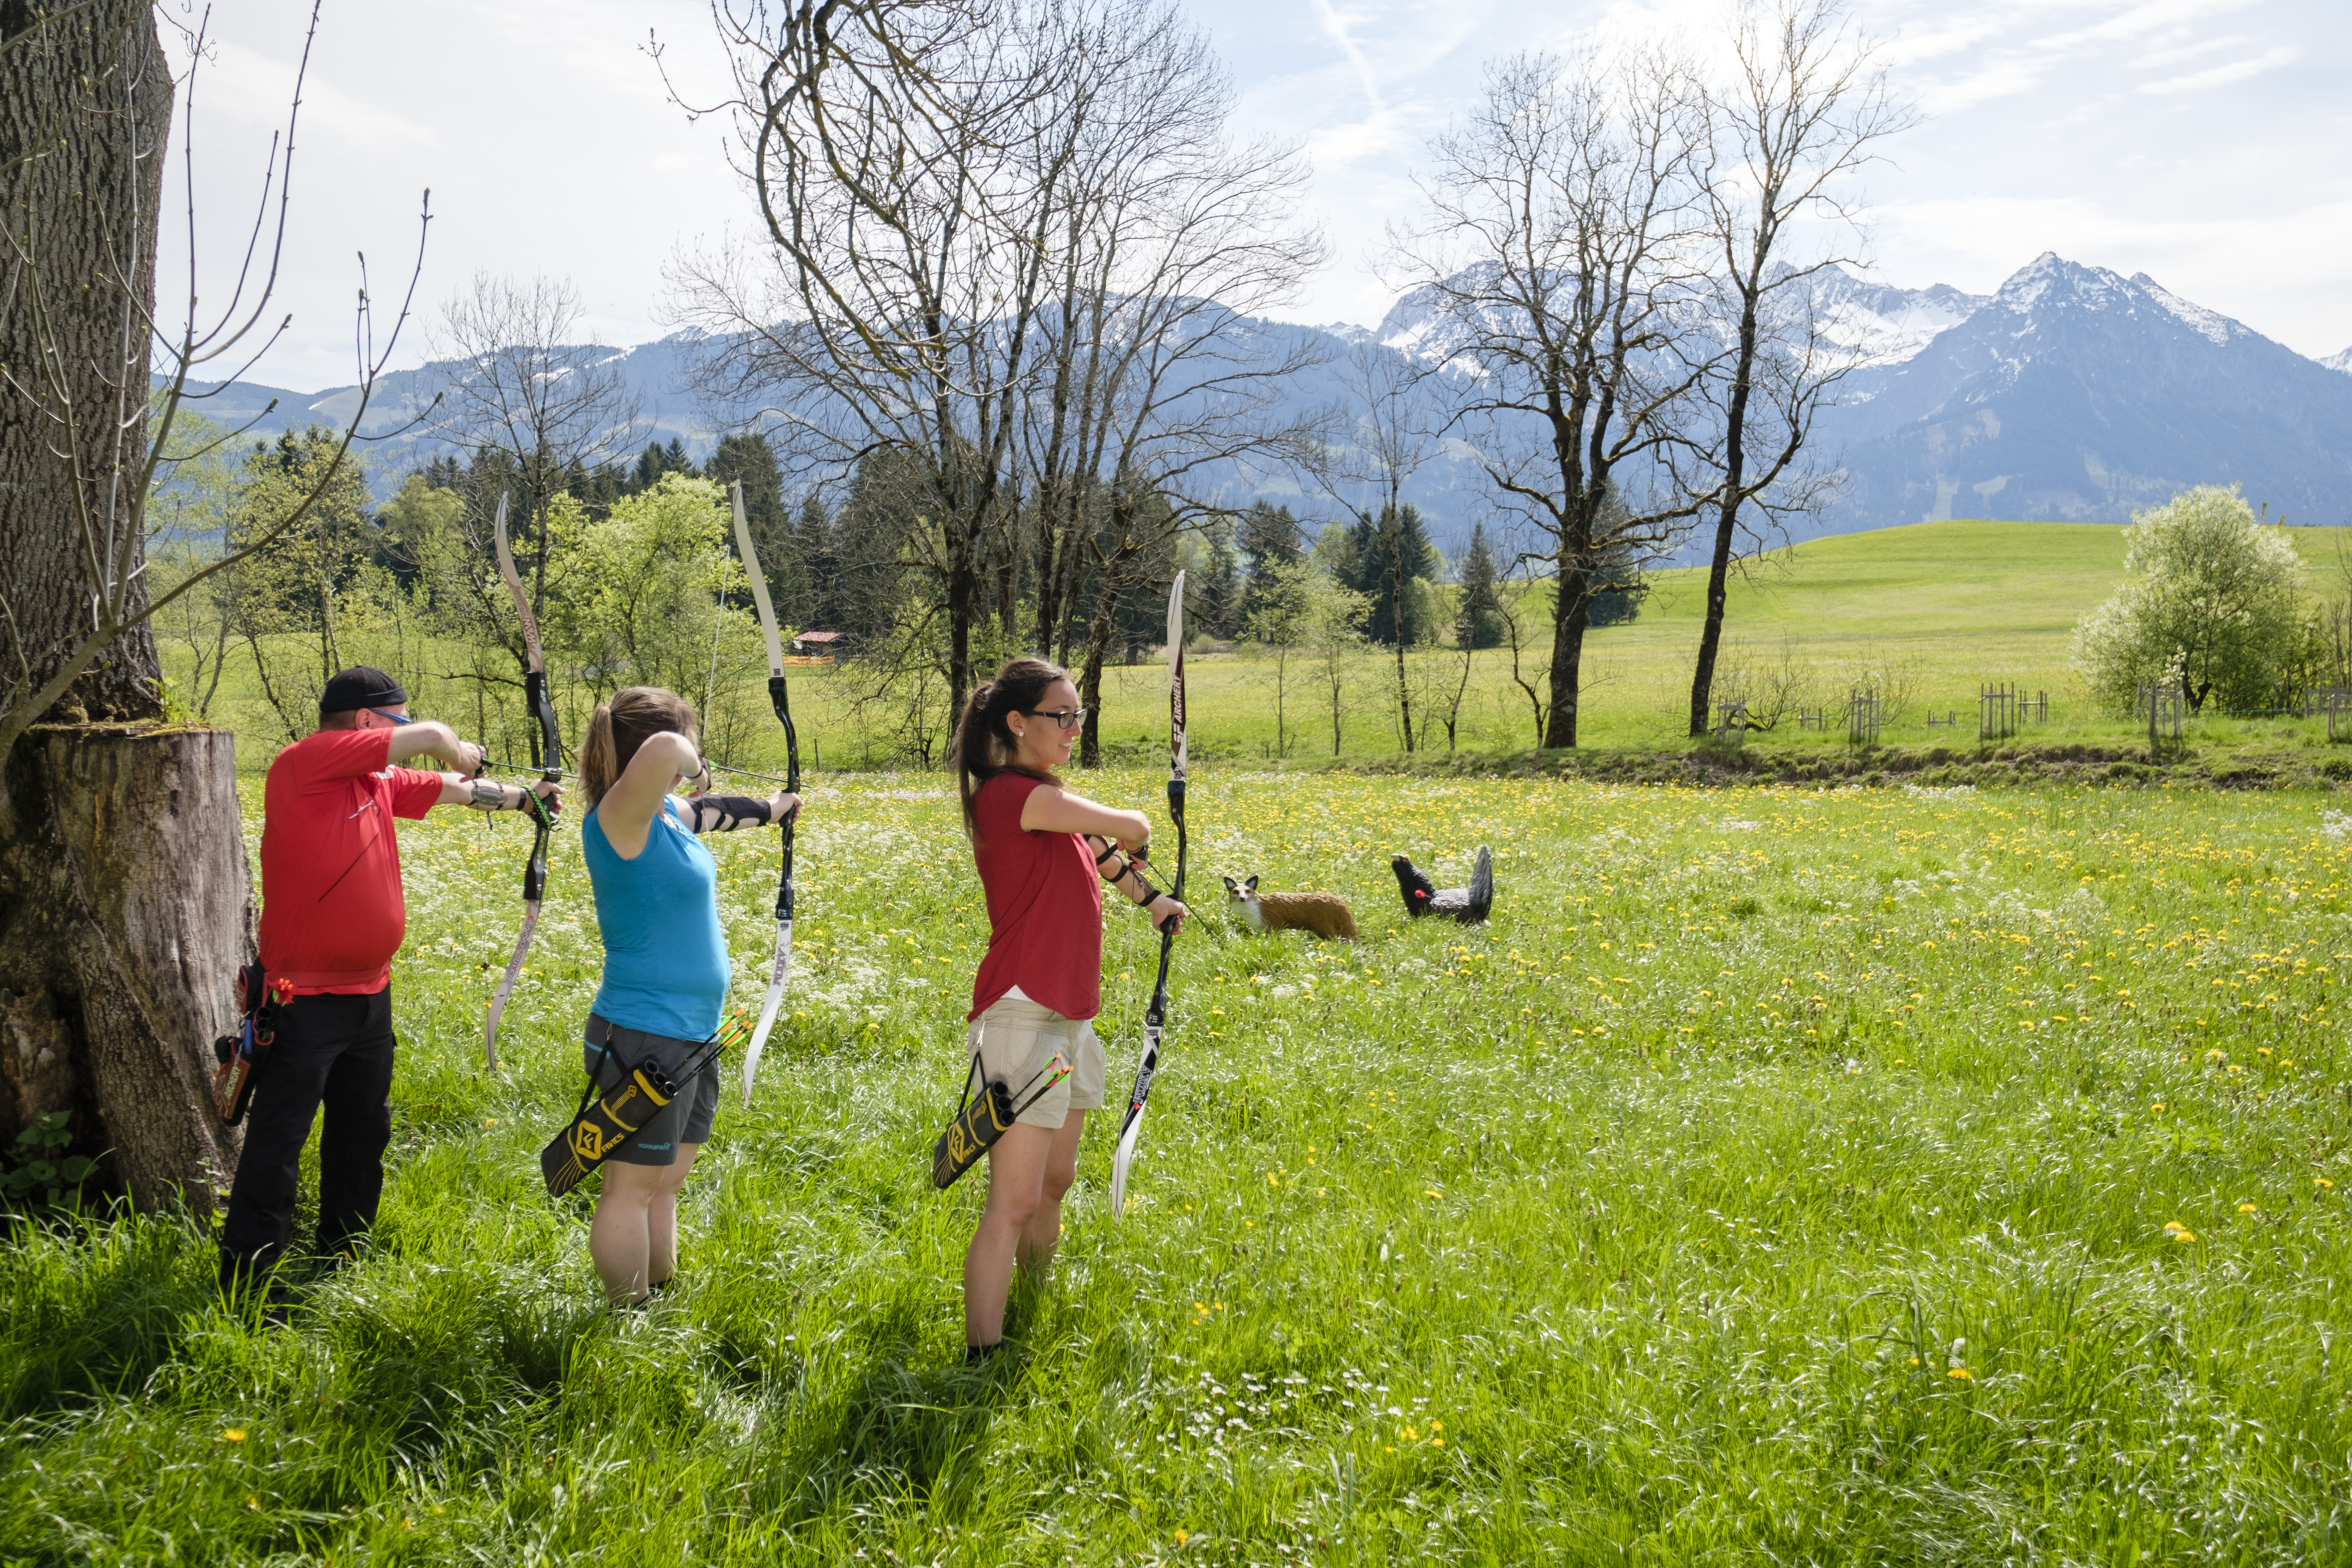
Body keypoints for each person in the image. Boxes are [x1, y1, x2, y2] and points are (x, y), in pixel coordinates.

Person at [220, 667, 561, 1301]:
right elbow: (434, 741)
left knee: (363, 1131)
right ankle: (249, 1284)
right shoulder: (305, 764)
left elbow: (453, 789)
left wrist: (523, 797)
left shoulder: (372, 780)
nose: (408, 729)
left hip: (369, 997)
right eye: (397, 721)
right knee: (278, 1142)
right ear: (367, 723)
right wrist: (449, 741)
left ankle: (343, 1256)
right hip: (301, 999)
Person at [953, 657, 1185, 1362]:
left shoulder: (1050, 801)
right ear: (1017, 724)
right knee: (1013, 1202)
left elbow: (1104, 853)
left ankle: (1032, 1301)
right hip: (1024, 1016)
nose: (1074, 727)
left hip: (1072, 1018)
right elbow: (1130, 827)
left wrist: (1151, 902)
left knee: (1055, 1183)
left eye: (1079, 715)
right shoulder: (1009, 794)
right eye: (1062, 716)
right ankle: (982, 1357)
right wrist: (1147, 817)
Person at [576, 686, 799, 1306]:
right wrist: (692, 760)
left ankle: (662, 1287)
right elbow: (669, 748)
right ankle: (628, 1314)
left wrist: (777, 808)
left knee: (667, 1177)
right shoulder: (617, 818)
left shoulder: (667, 816)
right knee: (630, 1186)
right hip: (642, 1032)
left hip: (694, 1030)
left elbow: (718, 812)